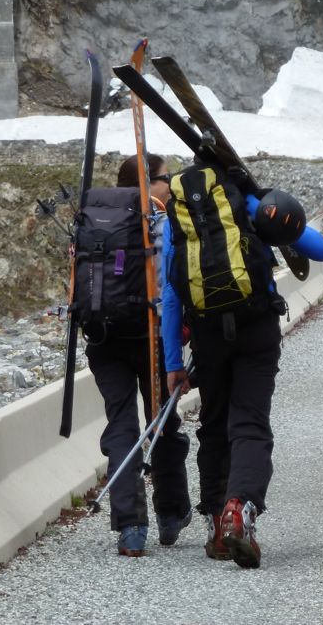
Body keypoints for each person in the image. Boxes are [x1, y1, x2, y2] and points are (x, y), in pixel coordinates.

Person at [162, 169, 299, 569]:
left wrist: (174, 363)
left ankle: (215, 527)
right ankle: (240, 509)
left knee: (214, 424)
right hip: (256, 327)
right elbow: (316, 248)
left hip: (207, 335)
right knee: (250, 422)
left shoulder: (180, 217)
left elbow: (171, 296)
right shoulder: (246, 201)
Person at [86, 154, 191, 557]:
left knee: (121, 425)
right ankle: (170, 513)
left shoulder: (96, 218)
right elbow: (172, 283)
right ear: (149, 184)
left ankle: (130, 527)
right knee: (161, 419)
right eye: (166, 178)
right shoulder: (160, 220)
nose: (171, 184)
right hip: (151, 337)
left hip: (104, 338)